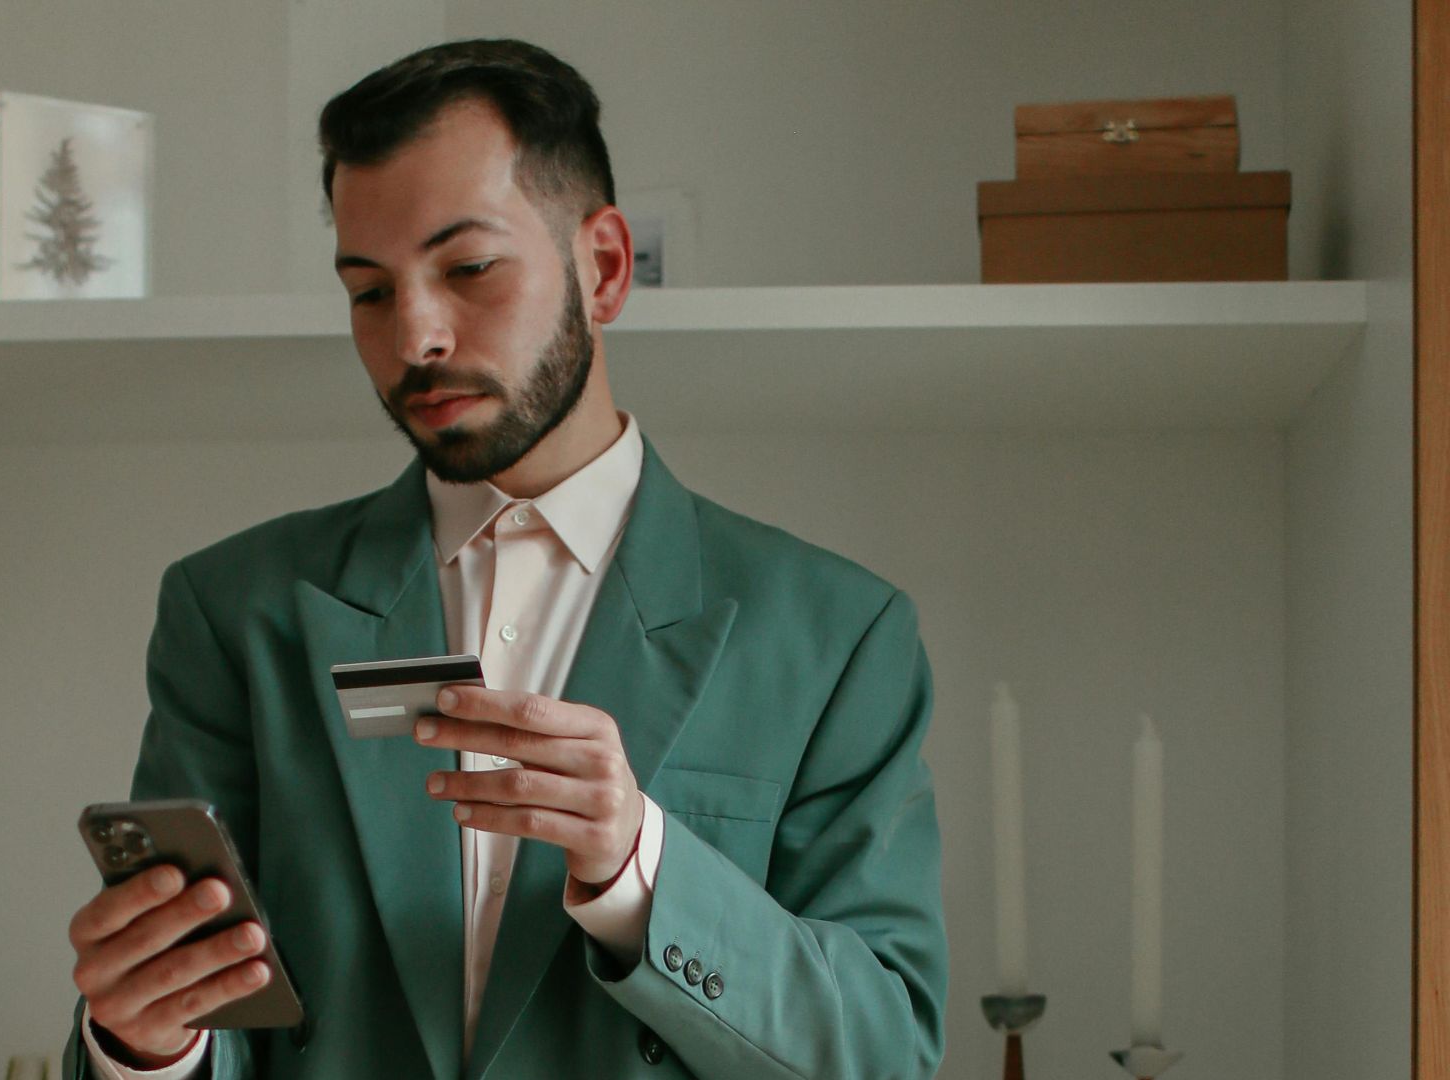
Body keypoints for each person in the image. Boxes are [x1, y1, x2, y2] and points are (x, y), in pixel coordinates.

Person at [61, 37, 946, 1080]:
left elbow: (886, 1052)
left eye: (469, 268)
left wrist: (640, 867)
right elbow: (208, 1020)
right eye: (369, 291)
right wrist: (141, 1045)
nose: (417, 337)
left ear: (604, 267)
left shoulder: (837, 634)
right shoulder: (236, 611)